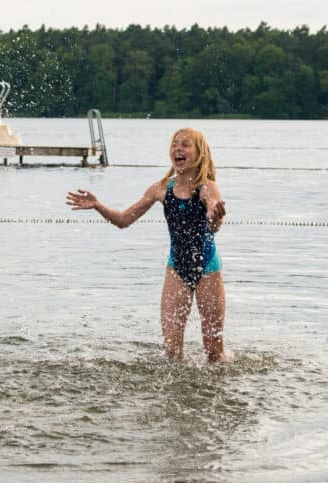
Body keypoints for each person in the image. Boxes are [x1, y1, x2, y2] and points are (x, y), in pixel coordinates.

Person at [66, 127, 228, 362]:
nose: (177, 149)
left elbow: (213, 221)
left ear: (199, 153)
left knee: (214, 351)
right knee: (172, 352)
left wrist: (216, 216)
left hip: (208, 269)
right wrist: (99, 206)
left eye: (185, 145)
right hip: (177, 270)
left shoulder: (206, 187)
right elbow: (123, 220)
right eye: (174, 144)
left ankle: (217, 392)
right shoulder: (161, 189)